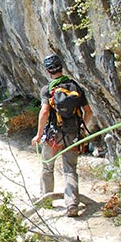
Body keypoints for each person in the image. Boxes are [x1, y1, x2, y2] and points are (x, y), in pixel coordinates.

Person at [31, 54, 92, 217]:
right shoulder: (75, 87)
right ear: (61, 67)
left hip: (53, 136)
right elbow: (88, 112)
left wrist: (38, 135)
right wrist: (81, 128)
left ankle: (46, 200)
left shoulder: (48, 89)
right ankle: (72, 204)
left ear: (48, 71)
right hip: (72, 135)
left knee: (47, 167)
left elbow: (44, 112)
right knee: (70, 169)